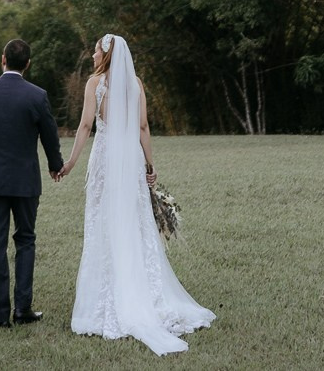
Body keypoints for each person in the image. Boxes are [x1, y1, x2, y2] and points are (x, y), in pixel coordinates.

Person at [58, 33, 215, 356]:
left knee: (104, 222)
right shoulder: (136, 83)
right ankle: (143, 291)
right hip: (129, 159)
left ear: (106, 54)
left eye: (95, 52)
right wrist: (149, 165)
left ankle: (109, 299)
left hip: (104, 159)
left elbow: (86, 126)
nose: (91, 57)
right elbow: (143, 127)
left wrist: (71, 162)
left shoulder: (95, 84)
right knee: (133, 222)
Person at [0, 37, 64, 329]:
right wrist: (55, 165)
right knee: (26, 241)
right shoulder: (37, 95)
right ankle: (23, 309)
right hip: (25, 182)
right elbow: (50, 135)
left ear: (3, 59)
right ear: (28, 64)